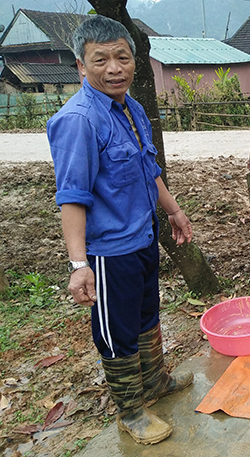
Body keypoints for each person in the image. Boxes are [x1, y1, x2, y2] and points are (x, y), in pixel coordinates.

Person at [48, 15, 193, 445]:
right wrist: (79, 264)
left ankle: (155, 384)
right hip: (109, 251)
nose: (114, 68)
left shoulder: (131, 108)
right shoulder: (79, 120)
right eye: (101, 60)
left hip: (143, 236)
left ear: (133, 61)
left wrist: (174, 211)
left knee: (147, 315)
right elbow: (72, 196)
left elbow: (149, 170)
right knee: (116, 331)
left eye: (122, 57)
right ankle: (131, 412)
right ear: (80, 66)